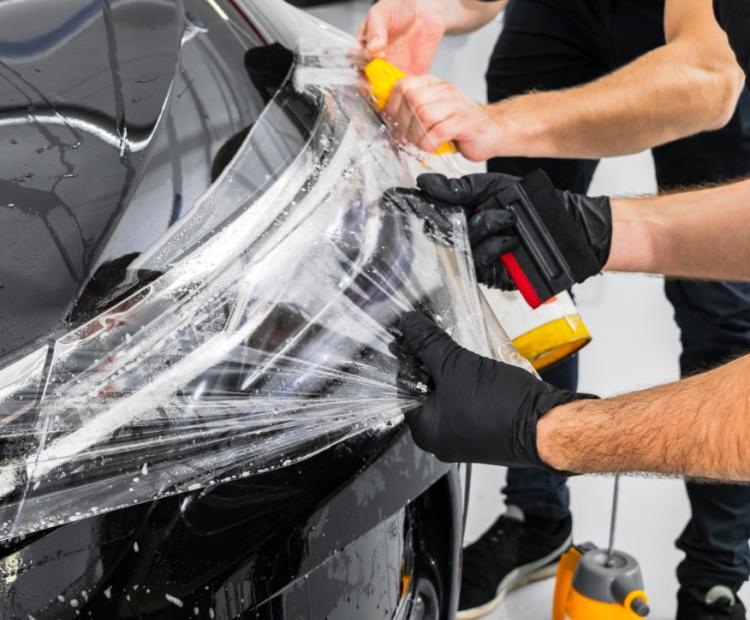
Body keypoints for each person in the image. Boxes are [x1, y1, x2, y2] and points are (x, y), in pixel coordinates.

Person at [359, 1, 750, 618]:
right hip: (562, 15)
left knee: (720, 311)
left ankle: (715, 579)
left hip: (693, 34)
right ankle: (537, 517)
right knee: (517, 249)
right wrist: (592, 230)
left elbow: (708, 77)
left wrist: (549, 429)